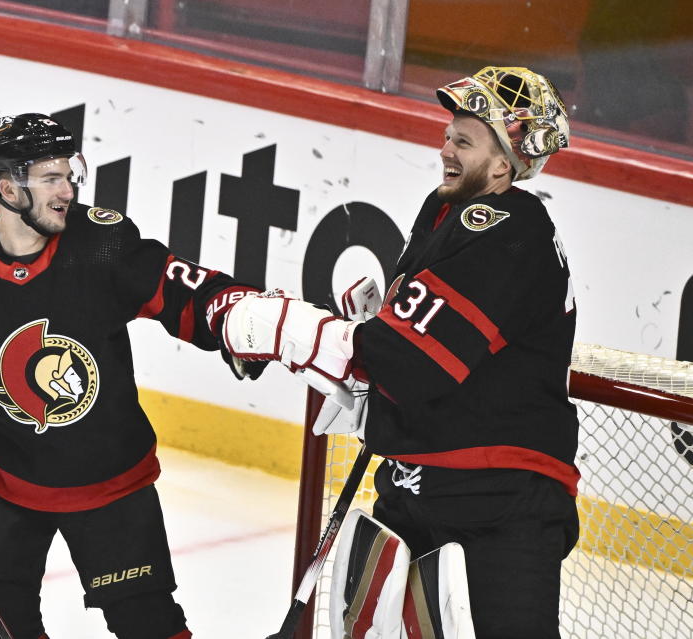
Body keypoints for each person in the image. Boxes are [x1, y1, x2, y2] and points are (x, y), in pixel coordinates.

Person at [0, 113, 263, 639]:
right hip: (2, 480)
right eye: (50, 177)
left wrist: (233, 317)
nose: (68, 188)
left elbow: (178, 287)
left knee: (147, 624)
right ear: (8, 189)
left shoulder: (101, 244)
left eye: (69, 172)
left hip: (109, 481)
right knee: (0, 627)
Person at [223, 66, 579, 638]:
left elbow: (413, 361)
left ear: (504, 161)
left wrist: (289, 331)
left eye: (464, 141)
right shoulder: (444, 213)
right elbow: (415, 348)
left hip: (497, 501)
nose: (445, 149)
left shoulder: (515, 227)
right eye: (447, 135)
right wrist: (372, 389)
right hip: (417, 486)